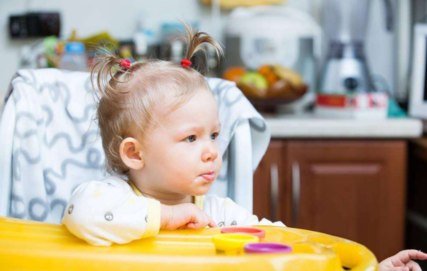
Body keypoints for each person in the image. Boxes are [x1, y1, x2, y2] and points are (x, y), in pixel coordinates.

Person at [62, 23, 427, 271]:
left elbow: (290, 251)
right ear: (134, 154)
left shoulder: (221, 214)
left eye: (214, 135)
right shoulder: (108, 197)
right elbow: (80, 215)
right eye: (191, 138)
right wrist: (167, 218)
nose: (210, 151)